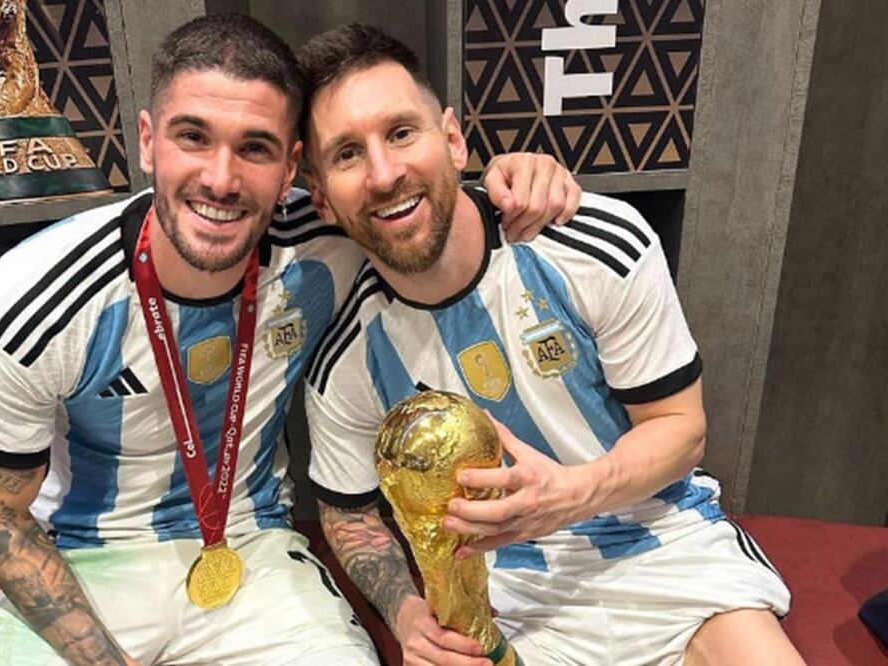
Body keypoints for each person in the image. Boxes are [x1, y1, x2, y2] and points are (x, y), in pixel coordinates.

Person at [0, 14, 580, 666]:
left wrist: (521, 174)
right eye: (192, 137)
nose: (220, 179)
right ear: (146, 141)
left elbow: (421, 203)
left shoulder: (330, 234)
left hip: (252, 545)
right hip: (83, 557)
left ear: (291, 170)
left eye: (254, 148)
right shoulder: (31, 294)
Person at [299, 24, 803, 666]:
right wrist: (406, 613)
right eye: (346, 154)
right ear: (320, 197)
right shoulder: (346, 353)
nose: (384, 172)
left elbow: (681, 430)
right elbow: (349, 515)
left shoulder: (592, 240)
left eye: (402, 132)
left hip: (665, 551)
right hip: (503, 600)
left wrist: (570, 495)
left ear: (452, 140)